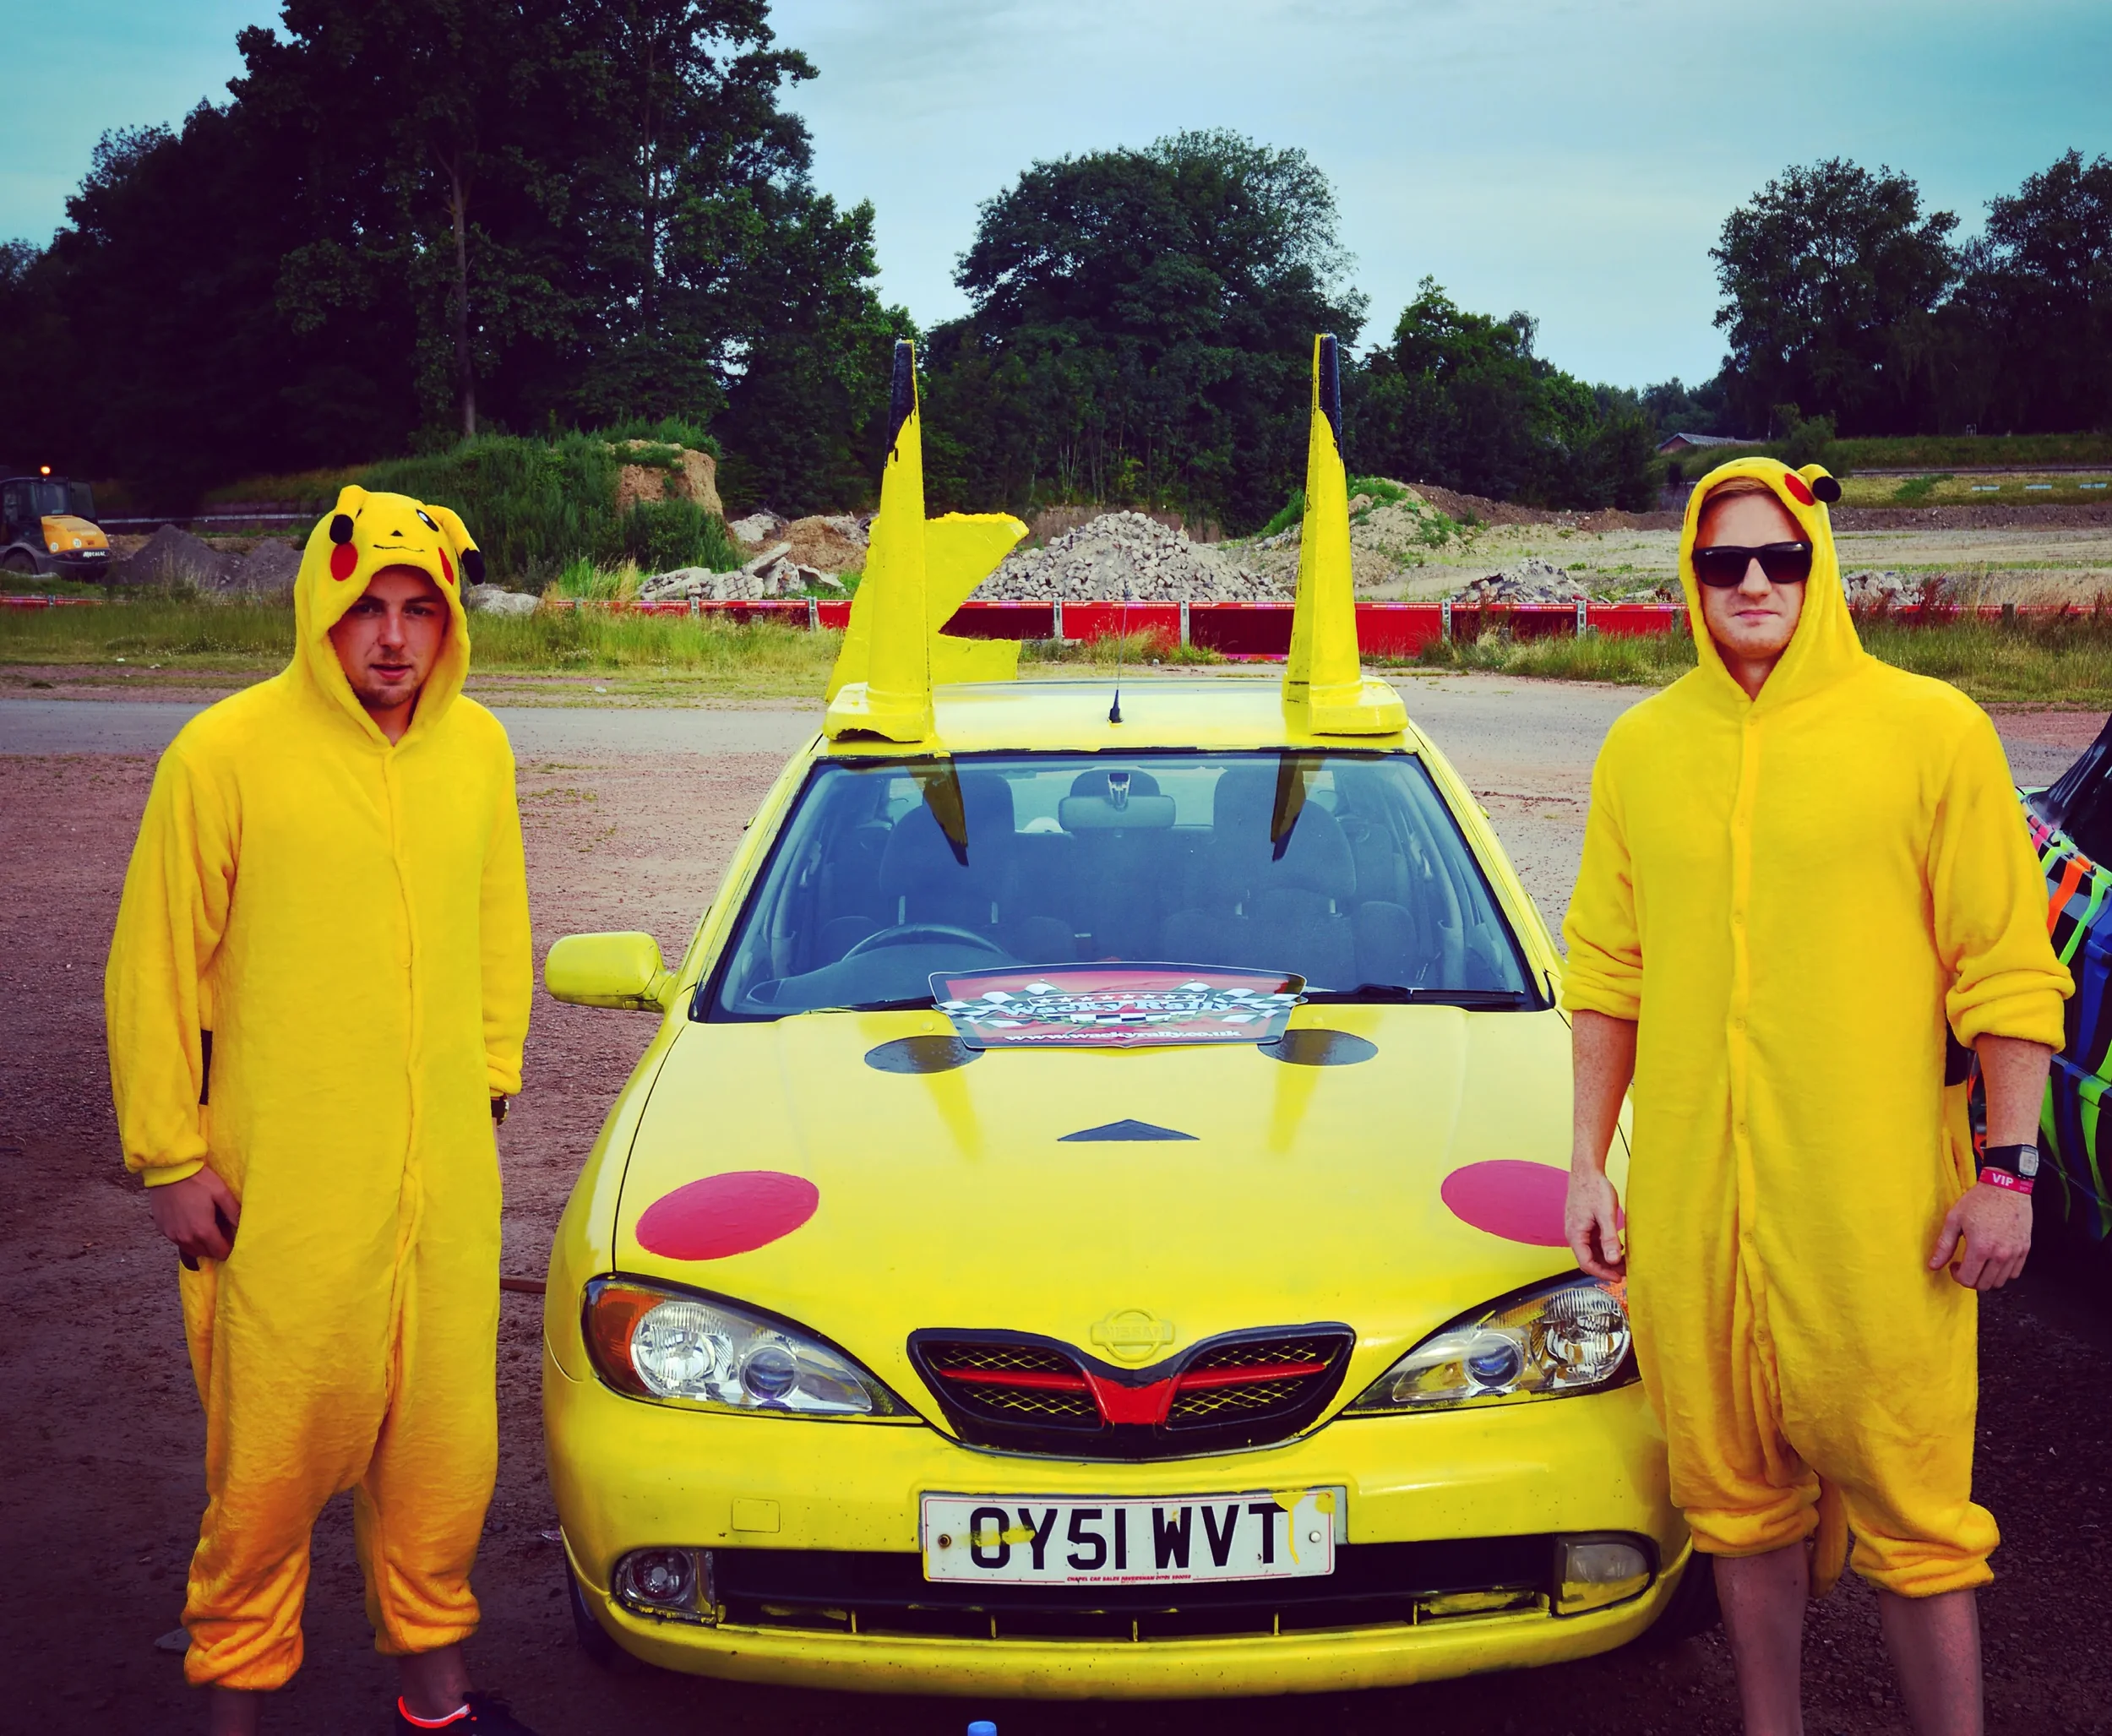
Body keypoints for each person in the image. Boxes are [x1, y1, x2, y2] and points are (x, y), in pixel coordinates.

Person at [1562, 460, 2067, 1736]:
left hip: (1875, 1216)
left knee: (1919, 1517)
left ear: (1820, 566)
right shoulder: (1644, 746)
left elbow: (2005, 970)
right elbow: (1607, 975)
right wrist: (1586, 1163)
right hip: (1695, 1208)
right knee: (1733, 1500)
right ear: (1690, 572)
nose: (1751, 583)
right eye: (1723, 559)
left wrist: (2007, 1173)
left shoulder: (1929, 729)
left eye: (1779, 559)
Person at [106, 489, 539, 1736]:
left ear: (449, 622)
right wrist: (169, 1157)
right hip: (284, 1189)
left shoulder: (479, 751)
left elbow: (495, 928)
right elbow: (152, 966)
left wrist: (490, 1078)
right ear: (320, 611)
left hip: (443, 1179)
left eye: (419, 612)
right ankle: (234, 1711)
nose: (393, 640)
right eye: (366, 612)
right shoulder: (226, 755)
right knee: (269, 1467)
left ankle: (436, 1698)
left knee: (444, 1455)